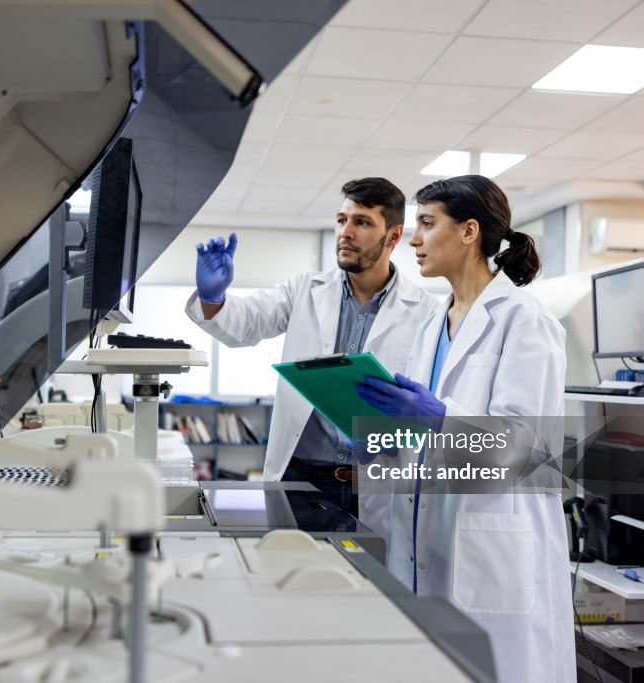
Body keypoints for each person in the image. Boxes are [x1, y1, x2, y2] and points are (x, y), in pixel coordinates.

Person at [356, 175, 576, 683]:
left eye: (427, 224)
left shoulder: (523, 319)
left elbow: (527, 450)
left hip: (491, 551)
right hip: (427, 540)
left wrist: (439, 419)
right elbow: (422, 439)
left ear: (469, 232)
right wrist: (383, 437)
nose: (413, 239)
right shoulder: (434, 322)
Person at [185, 178, 437, 535]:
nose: (345, 232)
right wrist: (213, 298)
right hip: (300, 480)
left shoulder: (426, 312)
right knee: (293, 577)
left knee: (369, 585)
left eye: (362, 222)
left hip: (375, 484)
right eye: (341, 220)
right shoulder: (305, 289)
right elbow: (248, 323)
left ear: (394, 236)